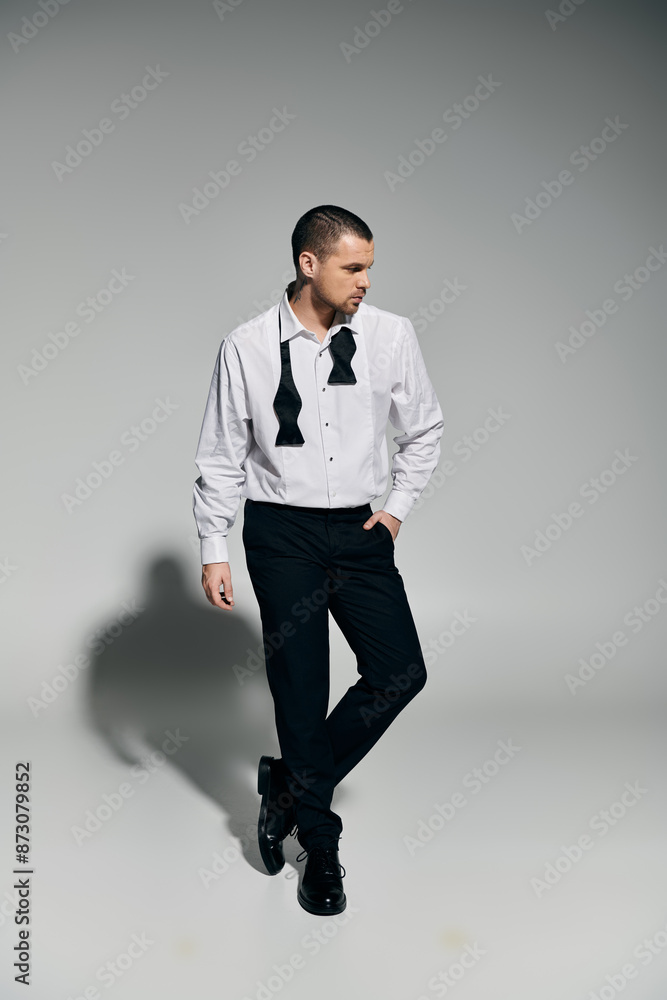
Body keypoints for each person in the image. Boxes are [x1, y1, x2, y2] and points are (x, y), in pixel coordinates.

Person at [193, 205, 444, 915]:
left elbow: (423, 430)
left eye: (368, 267)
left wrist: (393, 509)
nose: (365, 281)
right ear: (310, 264)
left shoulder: (391, 337)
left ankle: (288, 785)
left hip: (359, 533)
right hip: (281, 535)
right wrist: (214, 547)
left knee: (399, 671)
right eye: (352, 267)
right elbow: (221, 453)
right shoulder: (244, 345)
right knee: (299, 691)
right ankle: (320, 846)